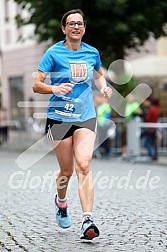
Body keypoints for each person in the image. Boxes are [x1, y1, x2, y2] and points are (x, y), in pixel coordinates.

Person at [33, 9, 112, 240]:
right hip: (58, 118)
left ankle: (88, 219)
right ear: (64, 28)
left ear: (84, 28)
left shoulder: (92, 52)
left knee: (84, 166)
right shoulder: (53, 53)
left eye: (79, 23)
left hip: (85, 116)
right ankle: (61, 202)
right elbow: (37, 85)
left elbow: (98, 74)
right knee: (66, 171)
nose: (75, 27)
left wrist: (104, 86)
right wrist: (54, 88)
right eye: (71, 24)